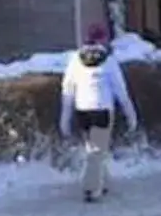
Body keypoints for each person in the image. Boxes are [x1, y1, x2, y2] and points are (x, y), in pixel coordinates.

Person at [59, 41, 139, 201]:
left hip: (83, 111)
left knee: (94, 149)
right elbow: (121, 91)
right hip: (102, 110)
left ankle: (104, 183)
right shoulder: (109, 61)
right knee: (96, 151)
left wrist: (64, 119)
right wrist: (131, 115)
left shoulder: (75, 61)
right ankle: (91, 189)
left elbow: (67, 92)